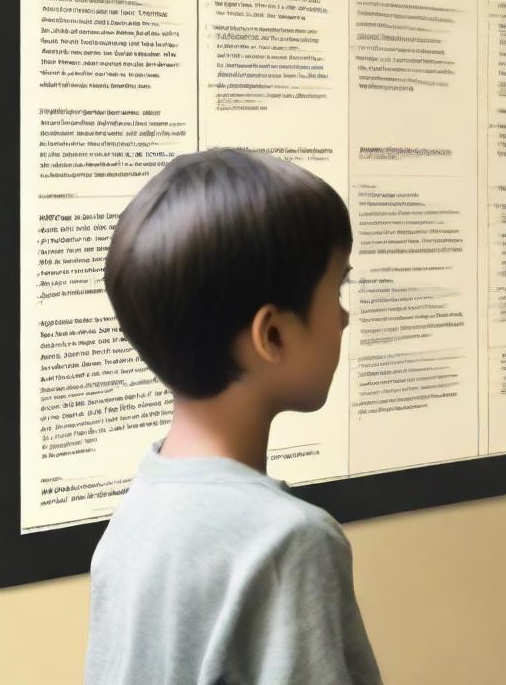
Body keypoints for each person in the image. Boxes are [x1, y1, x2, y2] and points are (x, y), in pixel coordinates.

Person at [85, 148, 382, 685]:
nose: (344, 316)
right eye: (335, 289)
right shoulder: (291, 543)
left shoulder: (133, 521)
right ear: (271, 335)